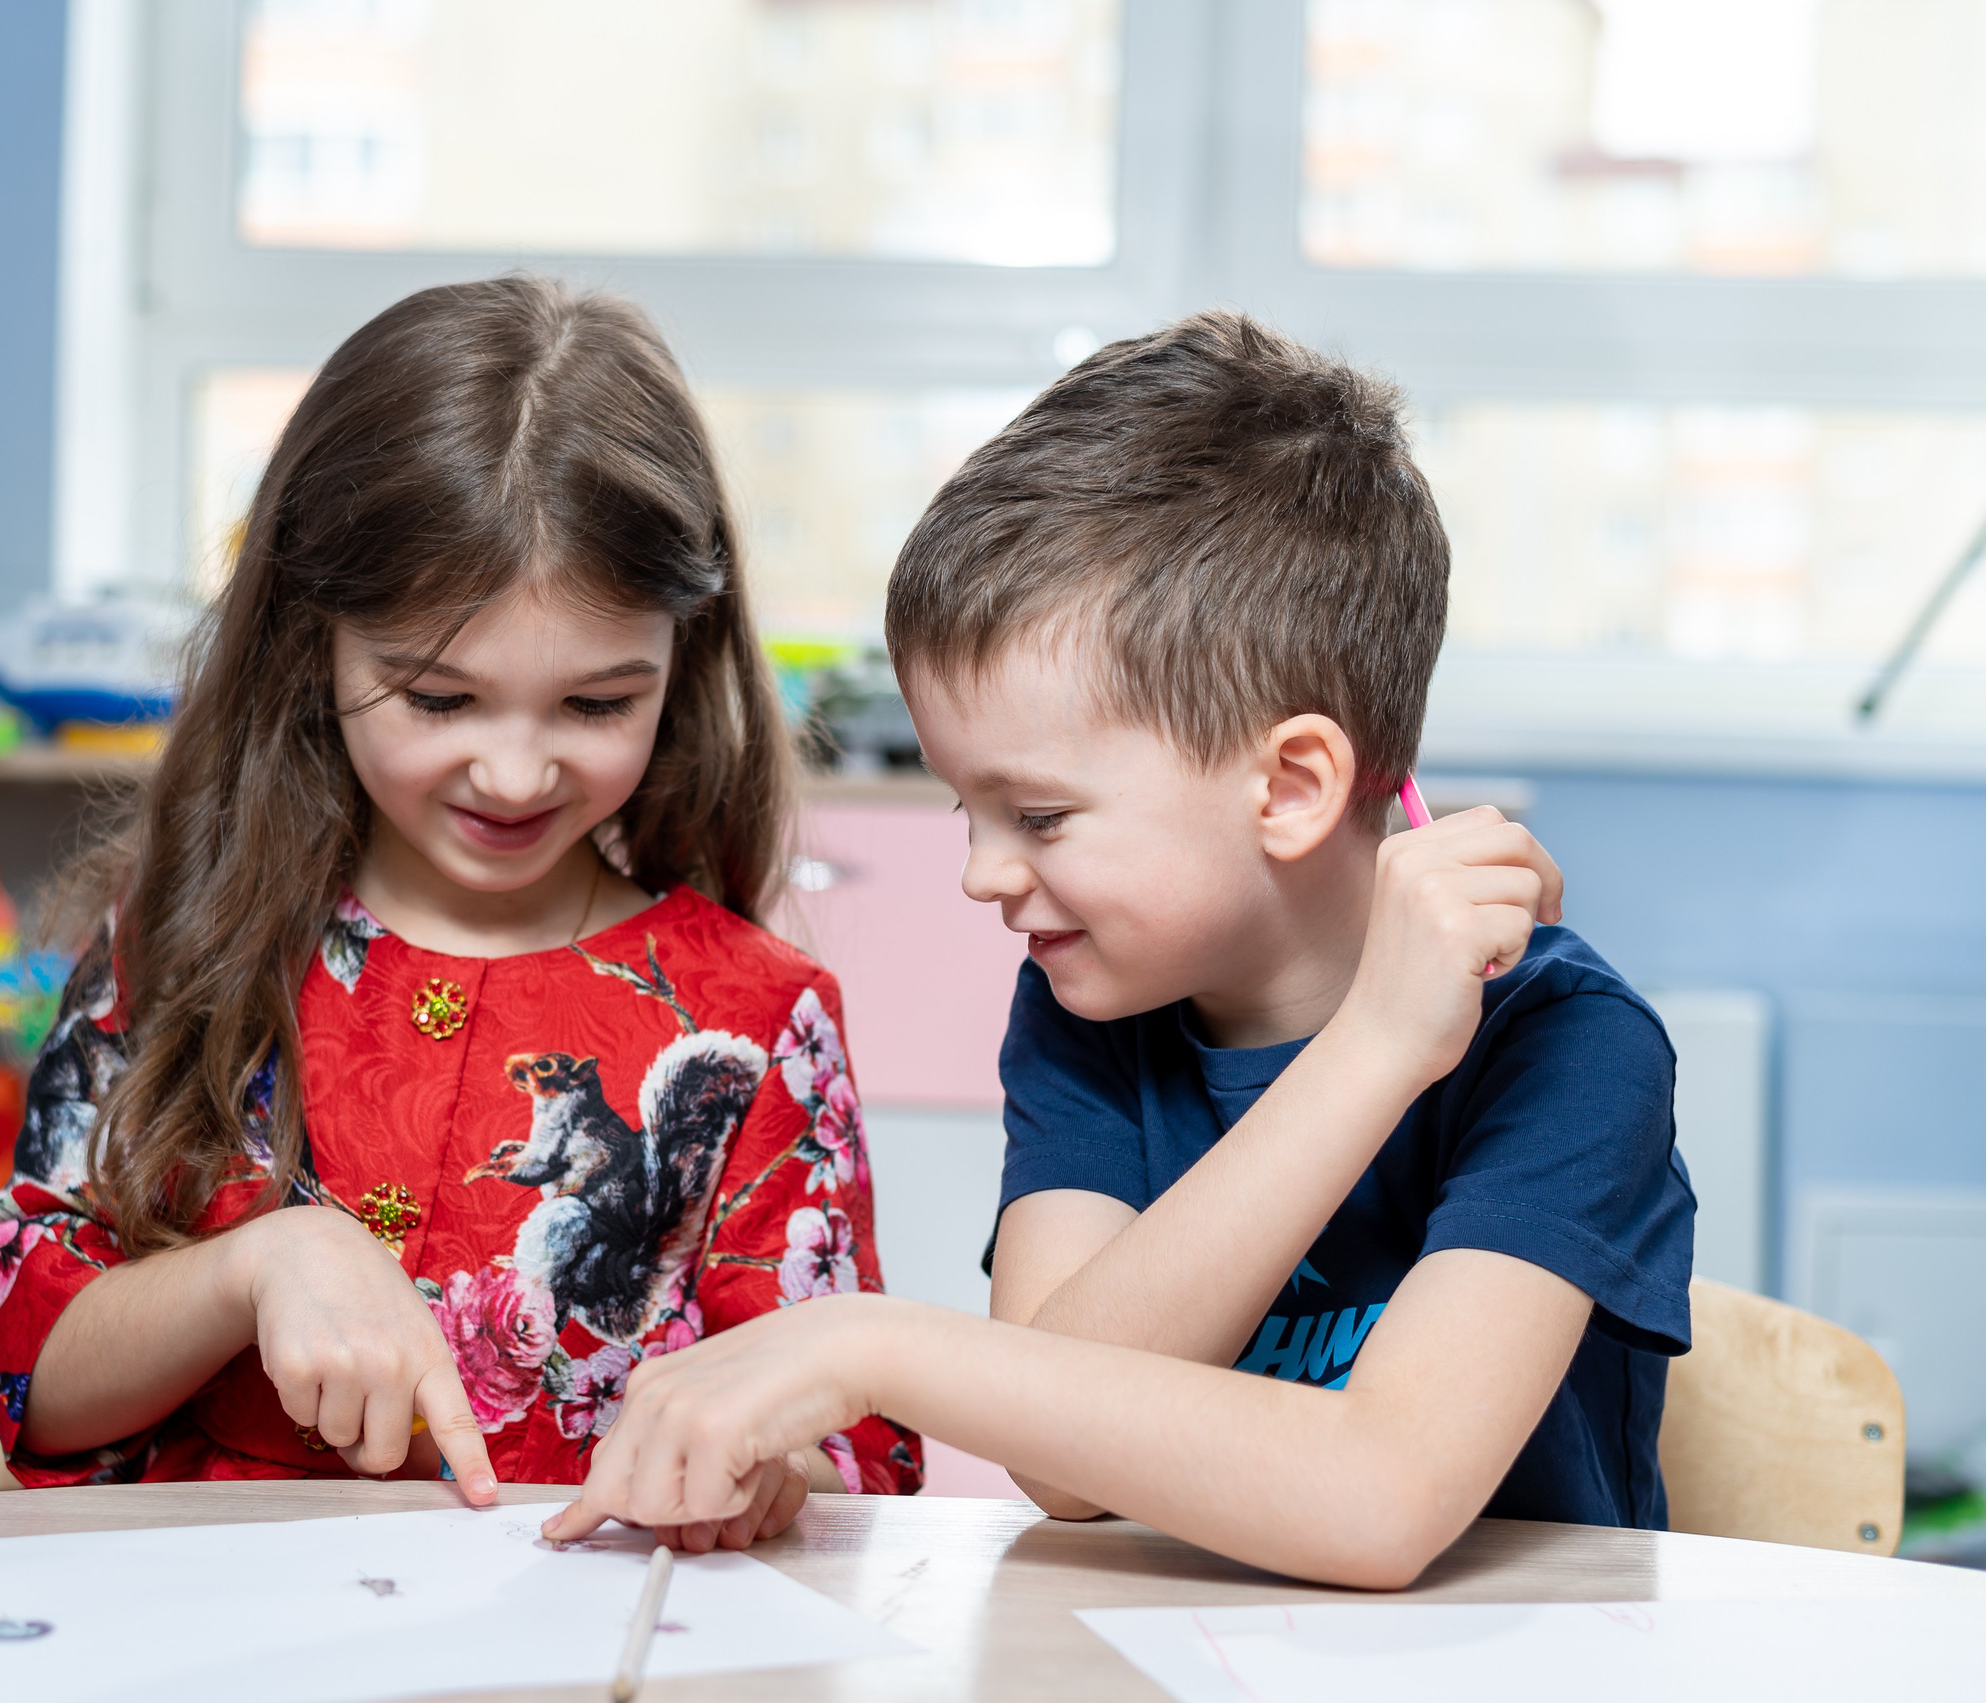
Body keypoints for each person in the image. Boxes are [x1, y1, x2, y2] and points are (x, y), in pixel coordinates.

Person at [543, 311, 1693, 1589]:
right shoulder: (1089, 1001)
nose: (981, 870)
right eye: (964, 807)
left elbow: (1382, 1497)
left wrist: (868, 1342)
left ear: (1294, 783)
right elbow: (1065, 1465)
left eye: (1036, 814)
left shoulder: (1566, 1042)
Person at [0, 276, 920, 1550]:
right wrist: (255, 1264)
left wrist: (775, 1461)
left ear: (680, 665)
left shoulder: (754, 1019)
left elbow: (847, 1446)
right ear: (315, 648)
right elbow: (34, 1374)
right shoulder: (178, 945)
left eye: (594, 705)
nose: (516, 775)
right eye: (439, 700)